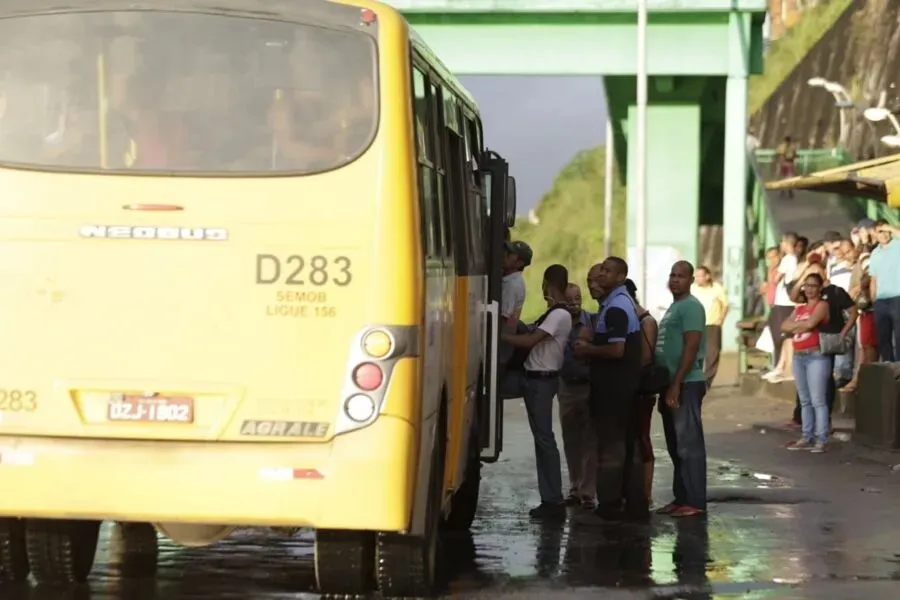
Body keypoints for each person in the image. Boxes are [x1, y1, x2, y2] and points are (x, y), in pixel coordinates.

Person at [572, 258, 645, 522]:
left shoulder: (616, 307)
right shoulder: (617, 303)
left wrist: (587, 349)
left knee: (611, 447)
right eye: (600, 270)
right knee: (623, 444)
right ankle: (630, 501)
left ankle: (611, 504)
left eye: (607, 271)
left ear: (621, 276)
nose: (601, 274)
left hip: (615, 390)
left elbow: (617, 350)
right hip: (619, 388)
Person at [501, 264, 571, 519]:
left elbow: (530, 341)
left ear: (548, 285)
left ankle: (552, 500)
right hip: (531, 378)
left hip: (541, 382)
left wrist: (501, 336)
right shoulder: (553, 313)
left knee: (544, 440)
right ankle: (551, 498)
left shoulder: (559, 315)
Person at [655, 261, 708, 519]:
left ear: (690, 280)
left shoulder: (691, 307)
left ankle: (695, 501)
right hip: (672, 384)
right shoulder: (675, 307)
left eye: (680, 276)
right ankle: (682, 498)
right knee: (676, 445)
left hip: (687, 383)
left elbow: (691, 346)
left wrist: (676, 384)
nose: (675, 280)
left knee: (689, 445)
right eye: (672, 275)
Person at [781, 273, 831, 453]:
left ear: (819, 288)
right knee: (805, 400)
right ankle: (806, 435)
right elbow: (783, 325)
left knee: (818, 400)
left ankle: (821, 438)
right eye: (806, 285)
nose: (809, 289)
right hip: (799, 356)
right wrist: (798, 326)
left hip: (815, 355)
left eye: (813, 286)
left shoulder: (822, 305)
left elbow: (810, 324)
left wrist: (796, 326)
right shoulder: (799, 308)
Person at [558, 283, 597, 509]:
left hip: (588, 386)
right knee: (571, 440)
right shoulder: (558, 322)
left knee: (590, 441)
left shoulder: (592, 321)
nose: (574, 302)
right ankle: (575, 487)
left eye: (578, 298)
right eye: (569, 298)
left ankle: (588, 492)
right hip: (566, 387)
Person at [624, 279, 659, 505]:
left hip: (641, 390)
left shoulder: (646, 321)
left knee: (642, 438)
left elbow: (646, 358)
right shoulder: (632, 319)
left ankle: (645, 492)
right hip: (628, 388)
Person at [764, 232, 799, 382]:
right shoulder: (793, 259)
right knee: (784, 336)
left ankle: (788, 368)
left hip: (785, 302)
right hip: (784, 302)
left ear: (786, 243)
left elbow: (775, 279)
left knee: (787, 336)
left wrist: (774, 272)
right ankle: (781, 366)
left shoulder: (788, 259)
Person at [691, 266, 728, 388]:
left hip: (712, 324)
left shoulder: (716, 288)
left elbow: (725, 304)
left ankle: (706, 381)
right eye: (695, 276)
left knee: (712, 353)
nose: (697, 278)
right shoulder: (692, 288)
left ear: (707, 276)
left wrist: (721, 319)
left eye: (700, 276)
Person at [868, 220, 900, 361]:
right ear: (875, 234)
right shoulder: (875, 253)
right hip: (881, 301)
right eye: (880, 231)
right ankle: (888, 365)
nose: (884, 234)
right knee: (883, 337)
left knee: (899, 336)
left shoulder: (897, 244)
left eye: (886, 231)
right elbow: (873, 279)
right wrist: (873, 299)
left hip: (898, 297)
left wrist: (890, 227)